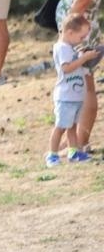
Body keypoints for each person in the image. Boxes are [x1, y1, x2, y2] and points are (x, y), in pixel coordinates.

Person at [30, 0, 103, 152]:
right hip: (76, 32)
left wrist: (68, 29)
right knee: (79, 84)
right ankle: (76, 140)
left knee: (86, 84)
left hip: (82, 32)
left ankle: (81, 140)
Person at [49, 14, 98, 165]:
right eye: (81, 37)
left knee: (72, 126)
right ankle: (52, 154)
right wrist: (82, 58)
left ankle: (73, 152)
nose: (82, 40)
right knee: (61, 126)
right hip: (65, 96)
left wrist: (82, 55)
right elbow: (67, 68)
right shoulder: (62, 48)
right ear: (70, 33)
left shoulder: (70, 48)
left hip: (75, 95)